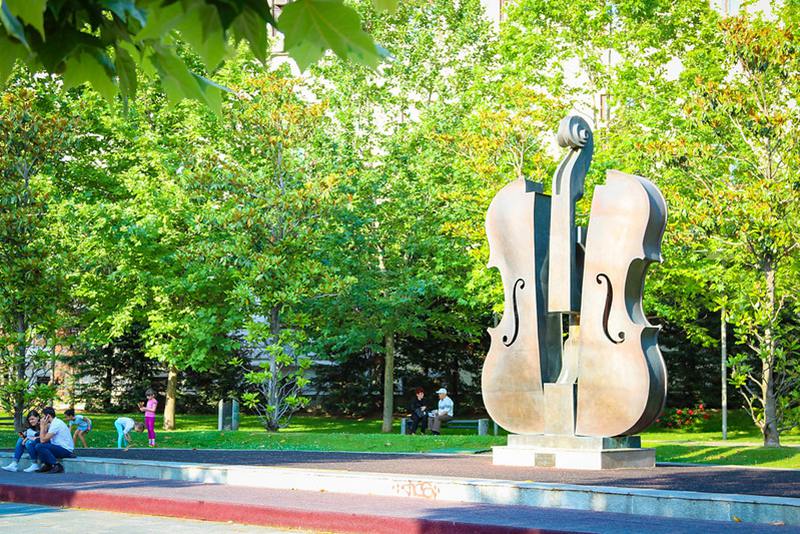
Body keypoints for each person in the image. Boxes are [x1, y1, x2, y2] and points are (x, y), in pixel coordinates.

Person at [35, 407, 75, 473]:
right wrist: (44, 426)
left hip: (66, 450)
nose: (42, 419)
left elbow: (43, 440)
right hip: (58, 446)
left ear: (48, 416)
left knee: (39, 446)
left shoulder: (56, 424)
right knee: (36, 442)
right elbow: (44, 437)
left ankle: (56, 465)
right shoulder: (54, 423)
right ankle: (47, 464)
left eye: (43, 417)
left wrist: (42, 426)